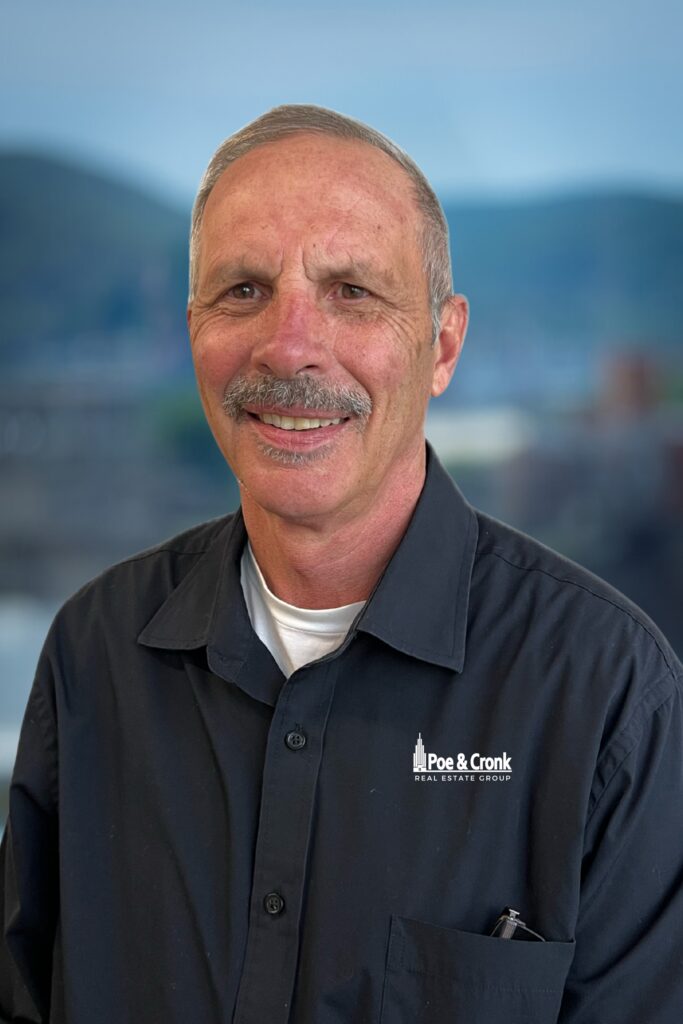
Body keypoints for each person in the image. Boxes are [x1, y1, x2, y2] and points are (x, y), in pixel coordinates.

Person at [1, 104, 682, 1024]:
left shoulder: (608, 697)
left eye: (352, 291)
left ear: (443, 344)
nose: (288, 345)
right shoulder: (94, 656)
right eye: (243, 289)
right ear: (193, 329)